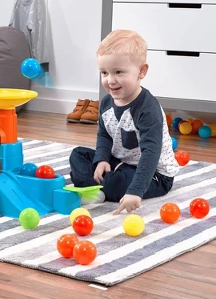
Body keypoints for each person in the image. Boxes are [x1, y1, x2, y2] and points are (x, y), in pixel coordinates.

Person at [69, 29, 179, 215]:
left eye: (118, 72)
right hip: (121, 162)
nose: (110, 80)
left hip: (154, 174)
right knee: (78, 155)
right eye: (104, 72)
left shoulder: (147, 109)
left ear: (141, 71)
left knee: (116, 183)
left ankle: (98, 186)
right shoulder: (106, 103)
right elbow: (104, 135)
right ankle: (95, 187)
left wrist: (135, 191)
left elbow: (151, 154)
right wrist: (102, 159)